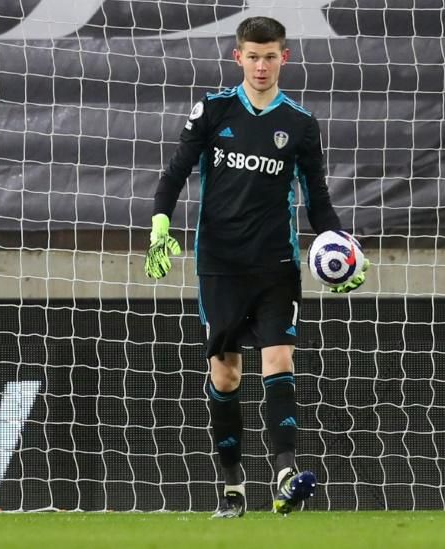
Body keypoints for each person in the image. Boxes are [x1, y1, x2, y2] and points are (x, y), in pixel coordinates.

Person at [144, 16, 368, 518]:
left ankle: (286, 473)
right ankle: (232, 485)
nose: (261, 65)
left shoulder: (300, 124)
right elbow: (176, 171)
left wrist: (343, 243)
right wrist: (161, 221)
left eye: (270, 56)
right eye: (253, 55)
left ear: (283, 58)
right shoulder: (214, 109)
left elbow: (319, 202)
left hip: (276, 264)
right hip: (220, 264)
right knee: (225, 377)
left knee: (279, 361)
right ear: (237, 57)